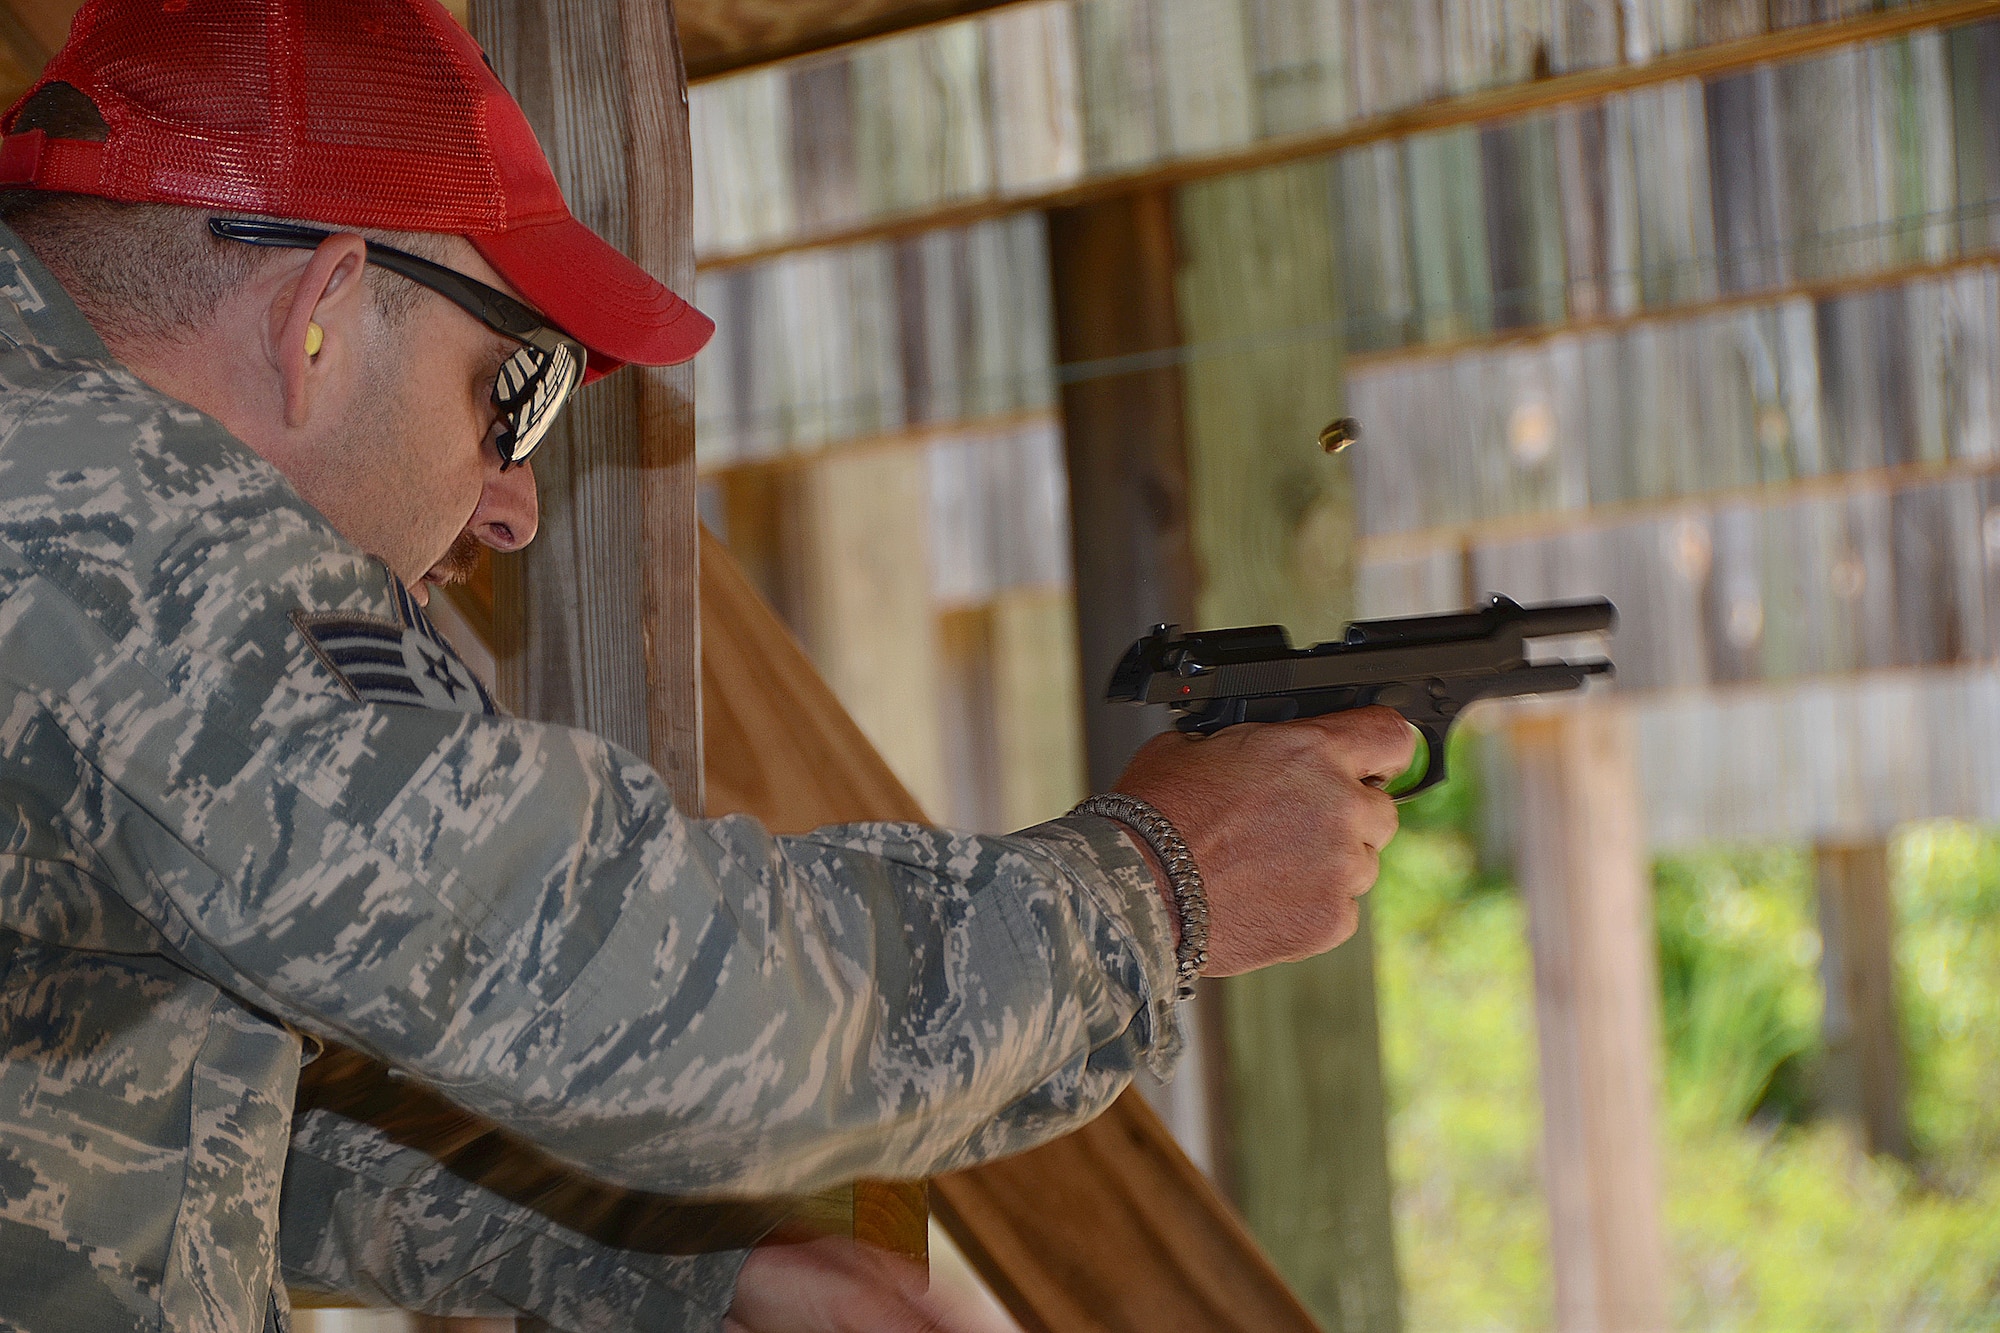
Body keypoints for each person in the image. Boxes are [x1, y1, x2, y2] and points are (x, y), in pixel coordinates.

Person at [0, 2, 1413, 1331]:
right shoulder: (95, 513)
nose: (513, 505)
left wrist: (681, 1264)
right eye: (517, 392)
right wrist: (1160, 888)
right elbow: (602, 970)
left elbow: (170, 1106)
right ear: (317, 314)